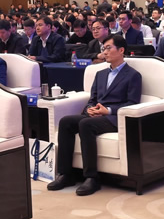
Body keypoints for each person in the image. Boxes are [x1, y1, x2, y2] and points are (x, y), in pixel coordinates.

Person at [47, 35, 141, 197]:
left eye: (108, 48)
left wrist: (108, 110)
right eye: (104, 48)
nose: (105, 52)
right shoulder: (100, 74)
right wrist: (90, 109)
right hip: (97, 114)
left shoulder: (133, 75)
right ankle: (66, 174)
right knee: (66, 122)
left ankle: (91, 177)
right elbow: (93, 99)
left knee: (85, 125)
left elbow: (132, 103)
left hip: (115, 118)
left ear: (121, 50)